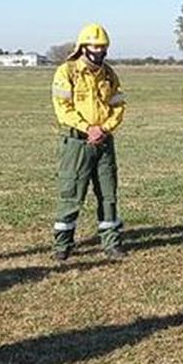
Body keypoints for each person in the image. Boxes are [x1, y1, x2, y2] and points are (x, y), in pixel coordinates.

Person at [51, 23, 127, 262]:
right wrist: (88, 128)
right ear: (83, 46)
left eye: (103, 46)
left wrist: (104, 128)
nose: (100, 50)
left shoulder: (108, 73)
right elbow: (63, 109)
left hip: (104, 141)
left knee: (108, 194)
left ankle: (111, 242)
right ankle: (63, 244)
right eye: (95, 46)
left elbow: (119, 105)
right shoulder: (67, 71)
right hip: (77, 142)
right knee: (71, 193)